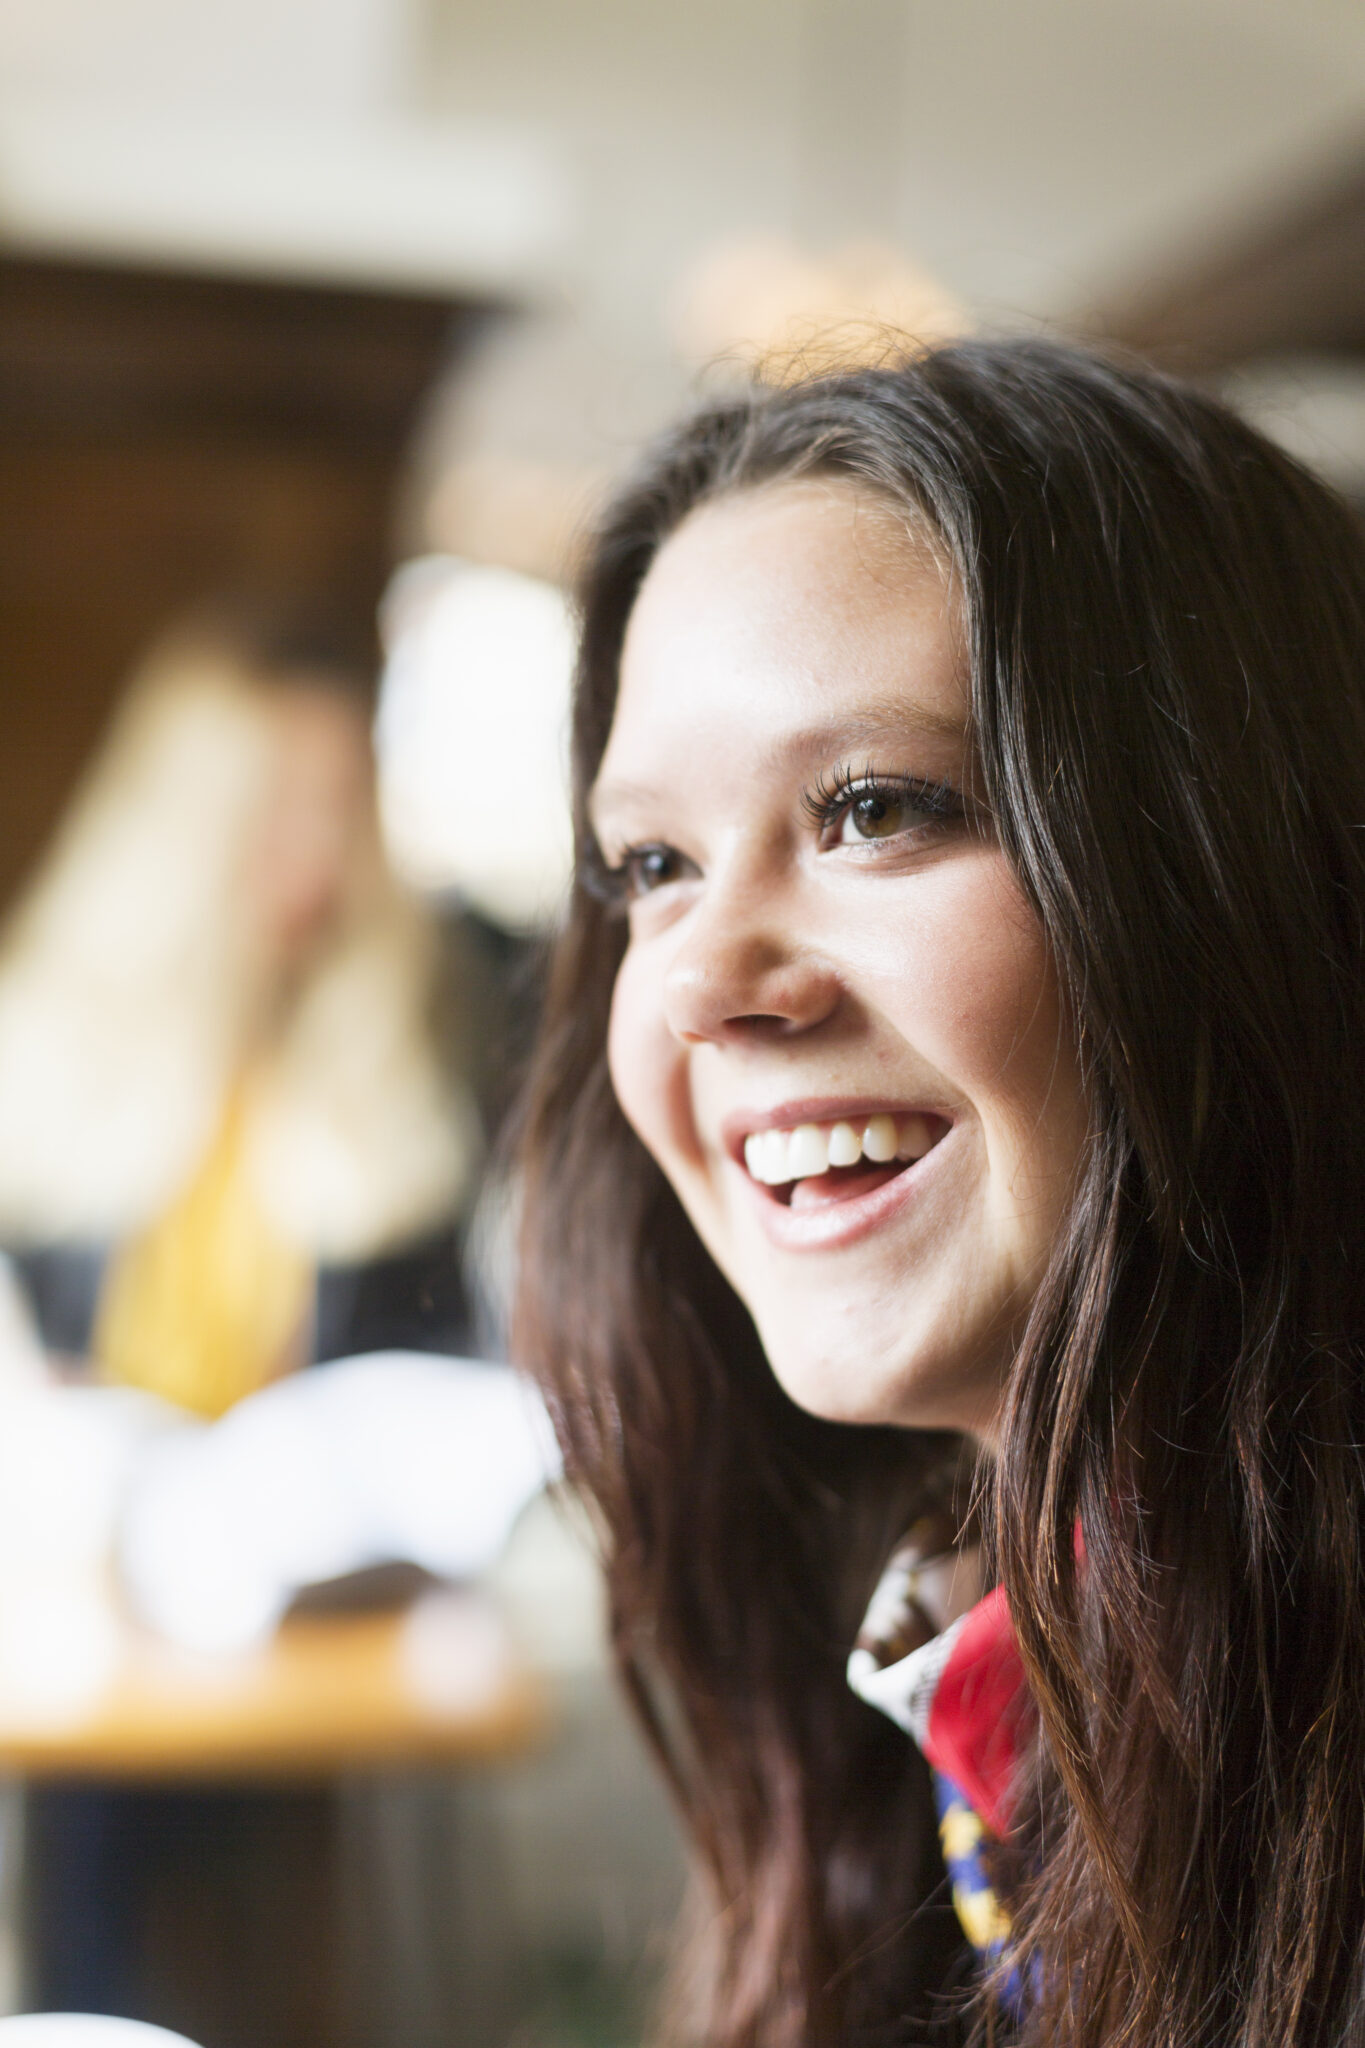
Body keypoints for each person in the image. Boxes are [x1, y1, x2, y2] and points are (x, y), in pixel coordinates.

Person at [514, 339, 1365, 2048]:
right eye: (652, 868)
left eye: (873, 809)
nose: (701, 984)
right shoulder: (970, 1651)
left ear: (1232, 867)